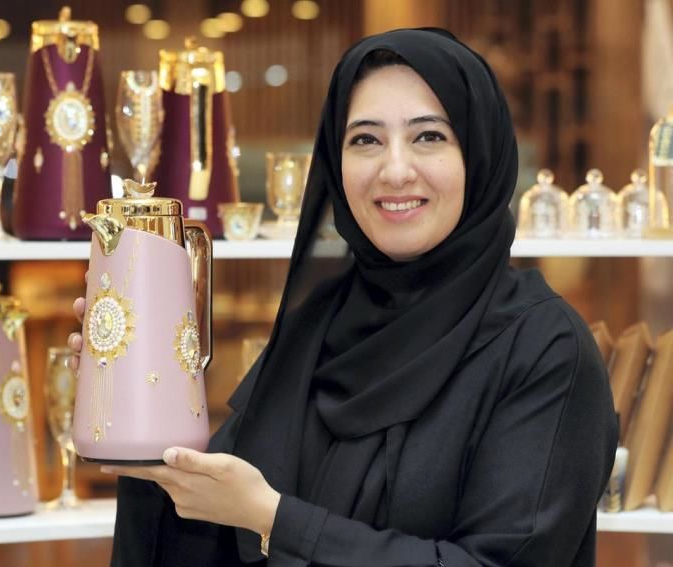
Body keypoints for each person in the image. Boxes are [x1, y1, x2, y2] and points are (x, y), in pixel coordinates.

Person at [69, 27, 618, 566]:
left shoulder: (545, 349)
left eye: (429, 136)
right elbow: (207, 516)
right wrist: (138, 401)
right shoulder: (320, 327)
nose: (395, 171)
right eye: (365, 140)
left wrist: (276, 521)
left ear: (480, 155)